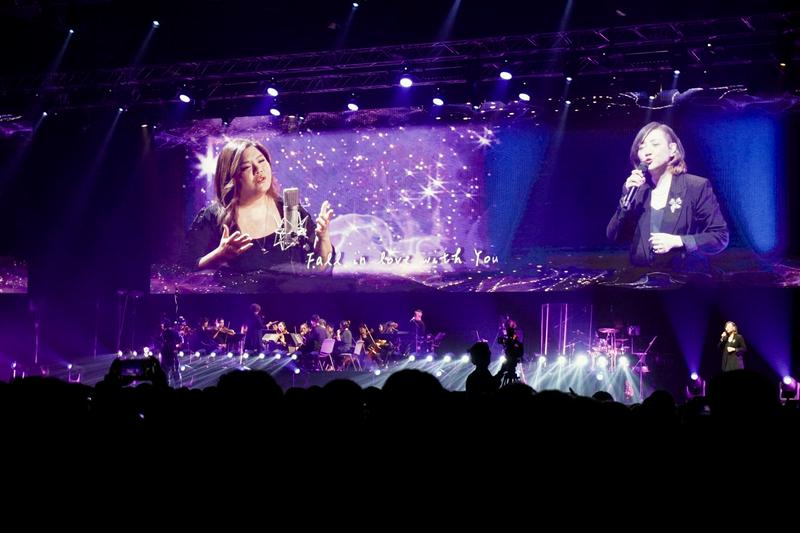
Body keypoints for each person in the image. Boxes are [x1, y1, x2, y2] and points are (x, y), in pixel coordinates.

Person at [183, 138, 335, 274]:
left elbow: (320, 267)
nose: (258, 169)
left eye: (261, 161)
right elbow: (185, 268)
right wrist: (219, 255)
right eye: (246, 167)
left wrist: (323, 238)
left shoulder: (289, 209)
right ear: (231, 177)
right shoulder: (213, 216)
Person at [607, 122, 729, 273]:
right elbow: (614, 236)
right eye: (641, 147)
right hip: (641, 281)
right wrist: (626, 200)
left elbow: (719, 237)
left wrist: (679, 241)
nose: (646, 152)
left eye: (655, 144)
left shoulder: (695, 186)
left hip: (684, 283)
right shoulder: (636, 191)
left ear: (672, 149)